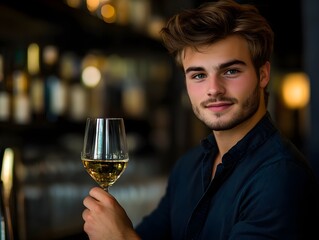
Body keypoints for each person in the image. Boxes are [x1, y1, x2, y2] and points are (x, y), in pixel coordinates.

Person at [82, 0, 319, 239]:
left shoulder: (281, 178)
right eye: (198, 75)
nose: (213, 89)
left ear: (263, 74)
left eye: (231, 71)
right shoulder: (188, 167)